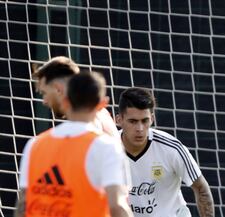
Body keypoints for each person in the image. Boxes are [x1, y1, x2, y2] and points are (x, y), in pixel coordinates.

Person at [14, 72, 133, 217]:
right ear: (102, 104)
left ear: (64, 101)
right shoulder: (106, 146)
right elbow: (117, 207)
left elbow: (22, 206)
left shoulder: (34, 145)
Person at [115, 87, 214, 217]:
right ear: (118, 120)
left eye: (144, 121)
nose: (139, 128)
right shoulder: (107, 149)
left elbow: (201, 188)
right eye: (132, 121)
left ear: (152, 119)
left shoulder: (171, 148)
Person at [32, 56, 119, 137]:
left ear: (58, 89)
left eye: (44, 93)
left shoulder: (89, 123)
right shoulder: (96, 115)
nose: (44, 101)